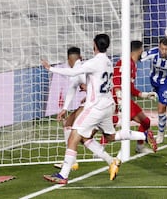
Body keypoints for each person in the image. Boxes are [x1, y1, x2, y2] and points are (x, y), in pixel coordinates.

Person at [42, 34, 157, 184]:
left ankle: (63, 175)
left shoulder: (94, 62)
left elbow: (72, 73)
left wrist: (50, 68)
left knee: (73, 136)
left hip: (95, 107)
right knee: (109, 136)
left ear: (94, 45)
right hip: (107, 105)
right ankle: (143, 135)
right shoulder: (108, 62)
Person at [109, 40, 158, 154]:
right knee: (112, 123)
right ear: (139, 50)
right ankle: (99, 147)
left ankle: (139, 147)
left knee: (144, 121)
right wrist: (120, 99)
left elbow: (129, 86)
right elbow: (116, 79)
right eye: (142, 50)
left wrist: (144, 95)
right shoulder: (125, 62)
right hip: (118, 98)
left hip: (123, 98)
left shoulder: (132, 64)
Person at [53, 47, 85, 170]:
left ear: (68, 60)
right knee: (68, 124)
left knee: (86, 137)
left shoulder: (78, 70)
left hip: (96, 103)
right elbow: (72, 89)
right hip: (96, 102)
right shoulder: (85, 67)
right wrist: (65, 109)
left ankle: (111, 160)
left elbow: (73, 89)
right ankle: (72, 162)